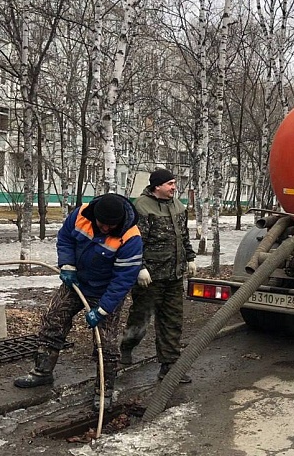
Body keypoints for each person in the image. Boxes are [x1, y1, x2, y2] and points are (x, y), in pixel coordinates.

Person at [14, 193, 143, 410]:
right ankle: (42, 371)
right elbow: (65, 238)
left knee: (106, 342)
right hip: (76, 282)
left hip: (106, 290)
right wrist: (67, 264)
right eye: (103, 224)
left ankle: (104, 389)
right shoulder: (81, 214)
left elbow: (124, 279)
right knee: (53, 320)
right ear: (95, 216)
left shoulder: (130, 237)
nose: (105, 229)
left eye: (111, 226)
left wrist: (103, 309)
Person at [119, 168, 196, 383]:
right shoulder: (142, 207)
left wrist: (190, 258)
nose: (174, 187)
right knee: (141, 317)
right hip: (150, 277)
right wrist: (140, 267)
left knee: (172, 320)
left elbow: (184, 235)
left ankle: (169, 366)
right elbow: (134, 242)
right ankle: (126, 347)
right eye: (170, 183)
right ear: (157, 186)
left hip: (173, 275)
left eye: (174, 183)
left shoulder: (177, 205)